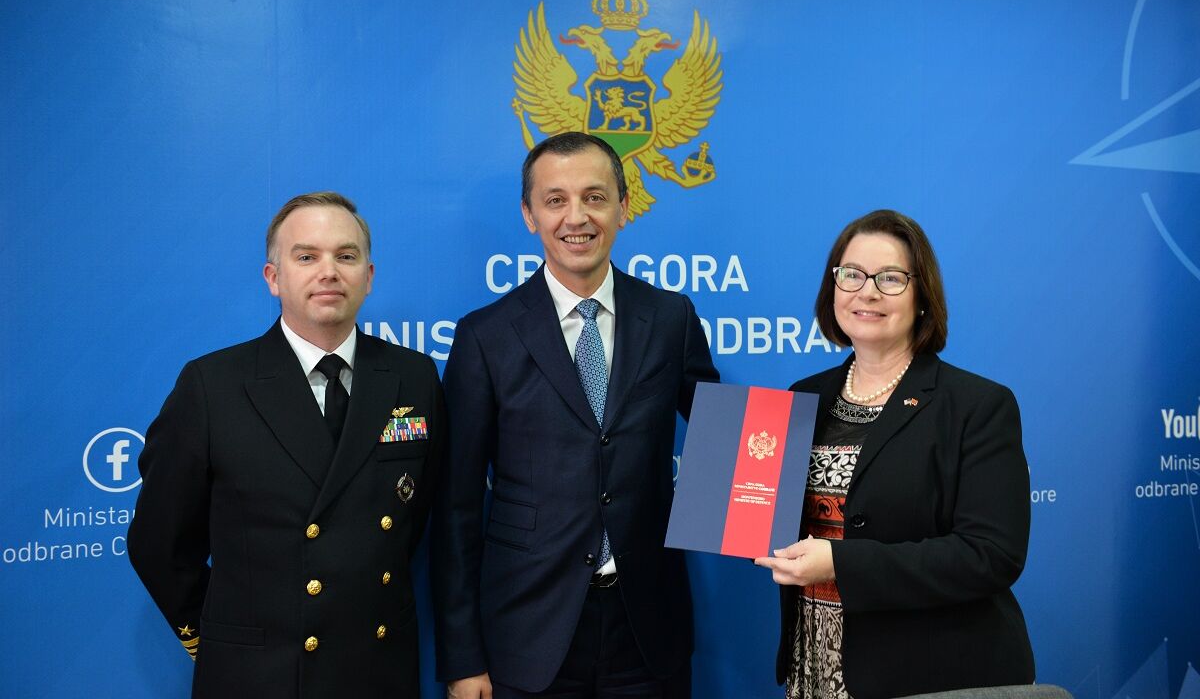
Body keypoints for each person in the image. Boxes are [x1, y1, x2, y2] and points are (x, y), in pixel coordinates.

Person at [432, 132, 720, 699]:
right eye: (555, 200)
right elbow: (457, 507)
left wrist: (784, 471)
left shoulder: (671, 318)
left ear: (623, 207)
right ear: (529, 215)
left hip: (648, 631)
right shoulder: (486, 336)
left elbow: (722, 440)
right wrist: (463, 659)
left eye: (594, 197)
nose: (576, 218)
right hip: (527, 633)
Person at [128, 191, 444, 698]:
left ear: (368, 276)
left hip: (378, 668)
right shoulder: (212, 386)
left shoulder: (414, 377)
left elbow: (418, 517)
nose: (329, 272)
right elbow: (159, 543)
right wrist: (224, 640)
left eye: (346, 256)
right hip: (258, 676)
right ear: (273, 278)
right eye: (306, 256)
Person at [754, 209, 1034, 699]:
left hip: (930, 672)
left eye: (890, 278)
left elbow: (991, 556)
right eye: (852, 275)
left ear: (922, 297)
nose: (867, 292)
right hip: (814, 659)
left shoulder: (977, 405)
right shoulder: (802, 398)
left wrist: (841, 564)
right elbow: (765, 511)